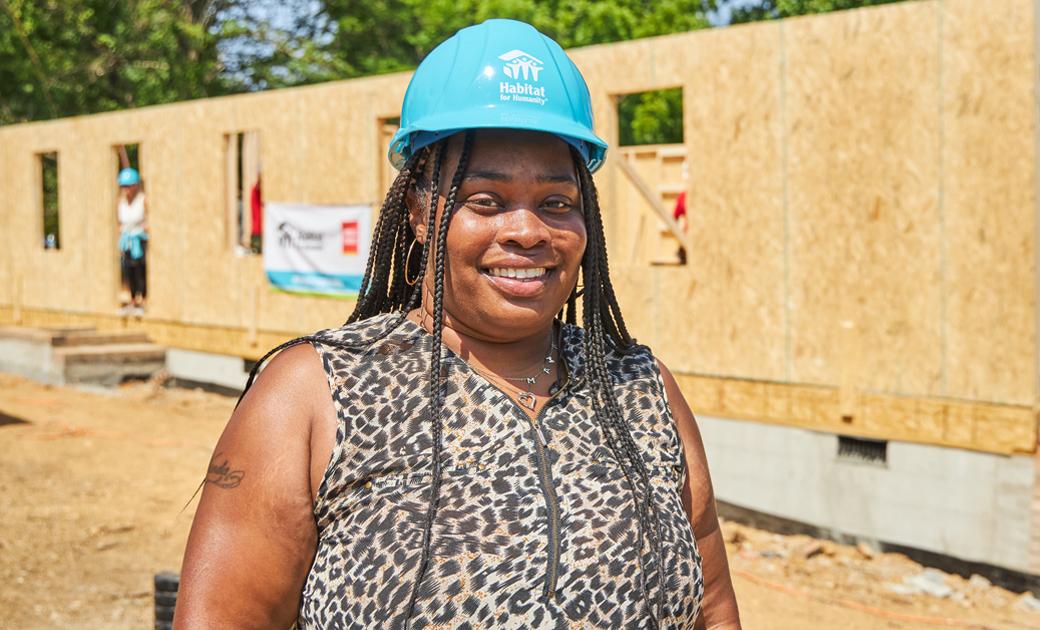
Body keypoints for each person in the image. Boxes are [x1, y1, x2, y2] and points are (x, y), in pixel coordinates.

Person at [176, 19, 740, 629]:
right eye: (486, 201)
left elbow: (712, 609)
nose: (527, 232)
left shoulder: (639, 389)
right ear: (420, 212)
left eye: (556, 202)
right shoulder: (314, 393)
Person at [117, 167, 148, 316]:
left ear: (135, 185)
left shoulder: (142, 200)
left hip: (139, 240)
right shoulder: (121, 203)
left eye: (128, 186)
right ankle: (132, 299)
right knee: (127, 269)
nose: (125, 189)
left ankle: (142, 299)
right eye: (123, 186)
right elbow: (120, 223)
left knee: (140, 269)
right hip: (127, 240)